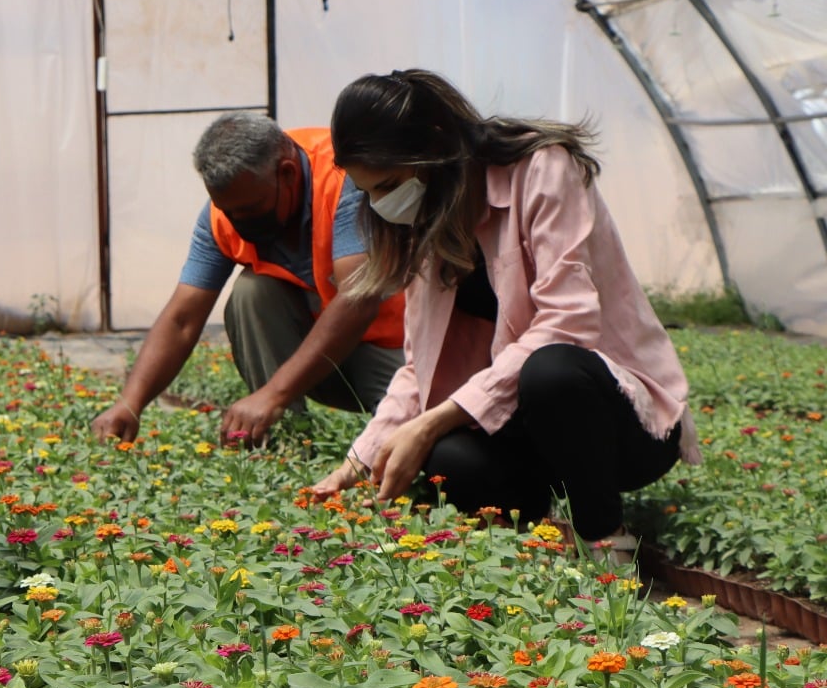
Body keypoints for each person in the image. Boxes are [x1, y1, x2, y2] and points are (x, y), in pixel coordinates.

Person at [312, 69, 699, 540]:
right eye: (370, 192)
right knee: (445, 461)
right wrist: (360, 459)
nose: (381, 205)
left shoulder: (543, 170)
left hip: (620, 427)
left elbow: (567, 323)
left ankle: (603, 537)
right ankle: (536, 528)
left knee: (551, 369)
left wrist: (433, 421)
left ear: (434, 145)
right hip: (531, 432)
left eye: (389, 184)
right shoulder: (427, 219)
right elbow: (419, 368)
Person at [91, 113, 405, 445]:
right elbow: (182, 318)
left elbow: (358, 301)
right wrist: (130, 403)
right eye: (229, 211)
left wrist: (274, 393)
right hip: (322, 359)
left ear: (286, 173)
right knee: (252, 291)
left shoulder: (345, 175)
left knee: (420, 438)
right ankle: (286, 444)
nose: (239, 221)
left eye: (251, 209)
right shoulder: (223, 214)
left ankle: (388, 422)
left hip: (399, 349)